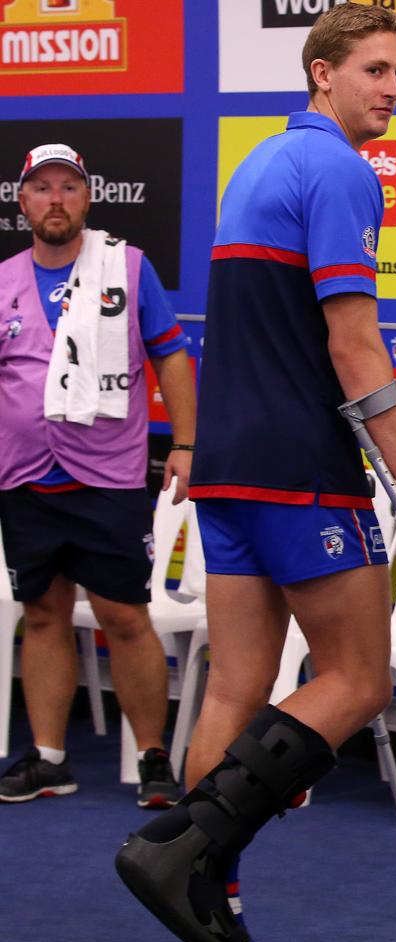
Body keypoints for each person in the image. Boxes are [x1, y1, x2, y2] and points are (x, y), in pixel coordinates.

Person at [115, 2, 396, 942]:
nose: (391, 89)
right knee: (355, 680)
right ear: (322, 74)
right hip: (296, 466)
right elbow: (349, 340)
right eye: (374, 70)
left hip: (228, 460)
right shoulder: (339, 170)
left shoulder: (258, 162)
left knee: (234, 684)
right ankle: (180, 847)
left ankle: (204, 903)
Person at [0, 142, 196, 808]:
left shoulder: (128, 268)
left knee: (125, 616)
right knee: (43, 615)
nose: (56, 199)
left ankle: (153, 758)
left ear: (88, 198)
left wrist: (187, 442)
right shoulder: (4, 281)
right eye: (42, 188)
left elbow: (170, 359)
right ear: (22, 201)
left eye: (68, 188)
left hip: (106, 477)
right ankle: (50, 758)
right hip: (25, 478)